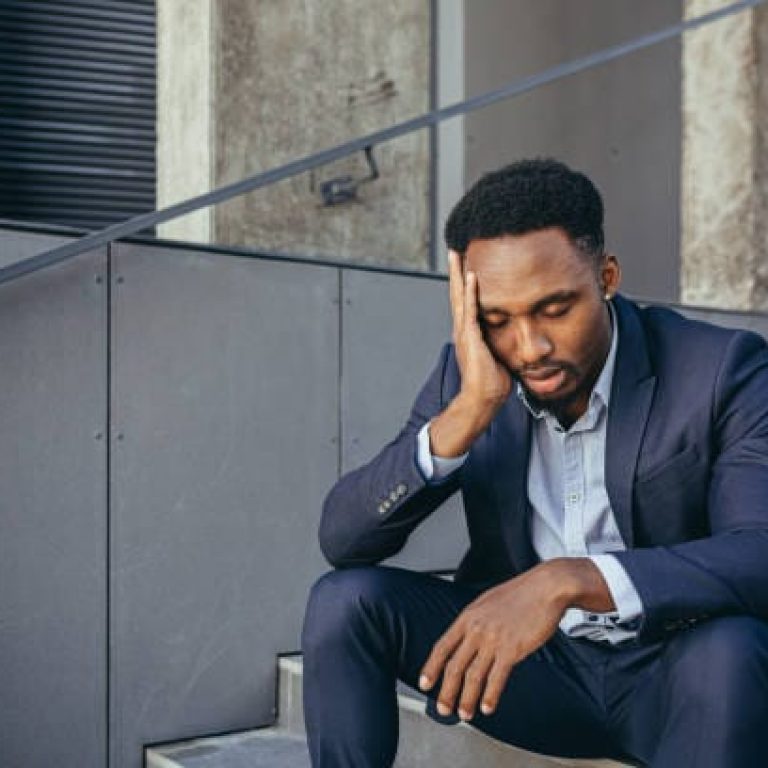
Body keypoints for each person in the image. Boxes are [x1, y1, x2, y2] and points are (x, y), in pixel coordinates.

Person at [301, 158, 768, 767]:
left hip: (679, 675)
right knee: (345, 602)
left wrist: (570, 579)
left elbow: (758, 550)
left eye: (555, 309)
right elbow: (344, 538)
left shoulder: (722, 370)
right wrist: (468, 411)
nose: (530, 346)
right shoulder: (468, 377)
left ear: (607, 276)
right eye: (497, 320)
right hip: (531, 677)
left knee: (733, 650)